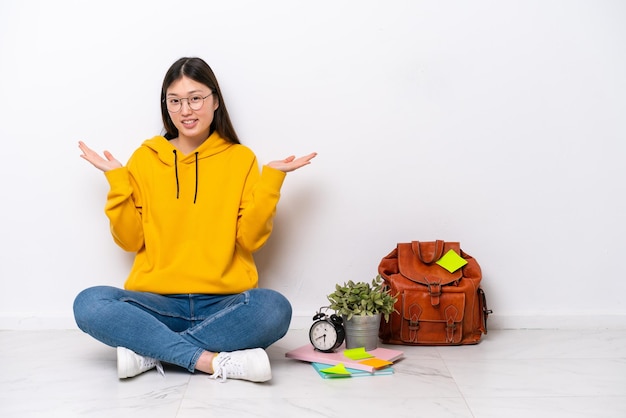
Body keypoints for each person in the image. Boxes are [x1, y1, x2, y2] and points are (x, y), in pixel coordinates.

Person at [73, 57, 316, 383]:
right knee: (89, 303)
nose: (185, 110)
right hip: (157, 307)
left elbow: (251, 240)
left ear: (215, 100)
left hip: (225, 305)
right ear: (167, 107)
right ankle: (209, 360)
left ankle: (151, 352)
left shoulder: (241, 159)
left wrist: (271, 180)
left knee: (274, 308)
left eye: (195, 98)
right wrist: (118, 181)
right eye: (175, 101)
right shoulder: (145, 159)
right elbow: (130, 241)